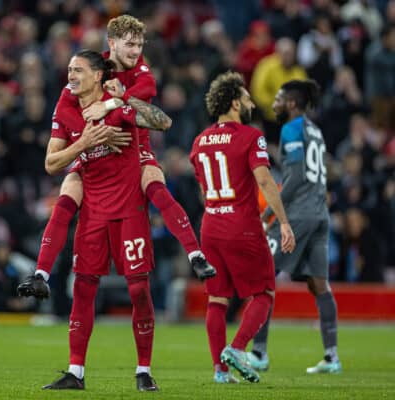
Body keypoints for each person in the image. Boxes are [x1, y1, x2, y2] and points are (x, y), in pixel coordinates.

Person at [17, 15, 215, 298]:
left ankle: (195, 255)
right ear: (112, 44)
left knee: (157, 187)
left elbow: (150, 100)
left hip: (136, 149)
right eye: (130, 45)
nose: (136, 51)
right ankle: (41, 274)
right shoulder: (93, 70)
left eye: (140, 45)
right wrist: (93, 133)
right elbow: (68, 107)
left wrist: (111, 103)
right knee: (67, 196)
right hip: (97, 150)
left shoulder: (141, 69)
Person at [27, 49, 172, 391]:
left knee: (138, 290)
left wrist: (120, 106)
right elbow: (51, 163)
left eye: (77, 70)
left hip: (128, 208)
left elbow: (163, 121)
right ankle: (75, 373)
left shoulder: (115, 99)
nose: (70, 75)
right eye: (68, 69)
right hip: (93, 210)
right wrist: (84, 144)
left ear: (97, 75)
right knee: (82, 288)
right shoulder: (66, 108)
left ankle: (143, 370)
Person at [190, 71, 295, 384]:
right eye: (247, 98)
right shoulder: (251, 136)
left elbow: (202, 189)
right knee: (263, 293)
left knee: (217, 300)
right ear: (235, 103)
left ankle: (219, 372)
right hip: (242, 225)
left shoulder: (200, 140)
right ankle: (236, 348)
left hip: (210, 224)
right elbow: (264, 179)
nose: (251, 103)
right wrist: (284, 221)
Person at [247, 79, 342, 374]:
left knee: (264, 277)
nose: (273, 103)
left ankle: (259, 353)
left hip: (299, 214)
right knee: (319, 284)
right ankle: (331, 357)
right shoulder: (315, 130)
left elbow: (298, 175)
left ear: (291, 103)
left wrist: (270, 213)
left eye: (277, 98)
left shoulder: (291, 128)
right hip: (319, 214)